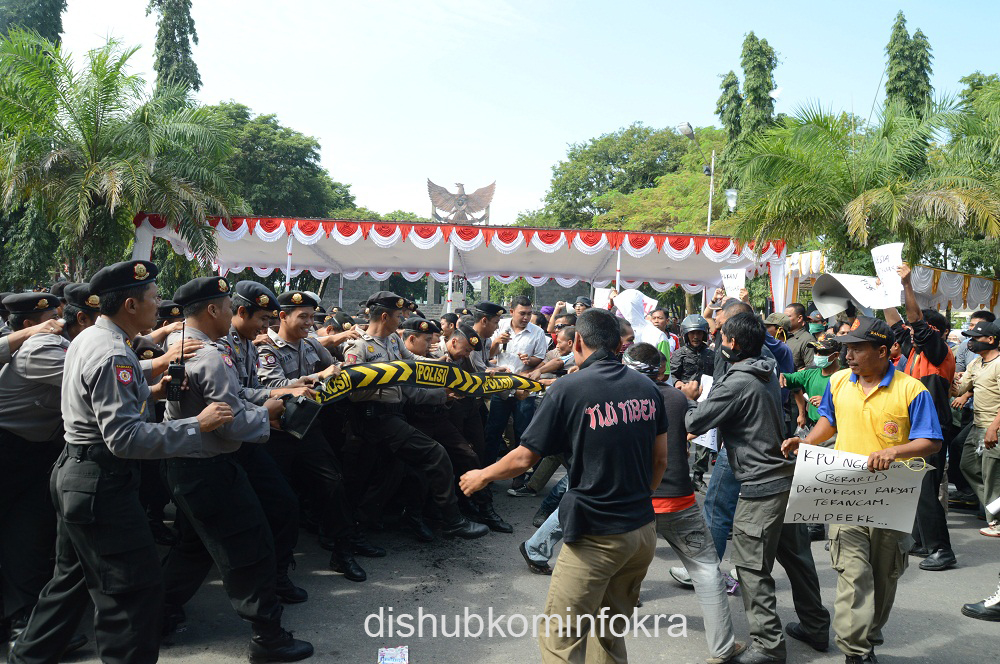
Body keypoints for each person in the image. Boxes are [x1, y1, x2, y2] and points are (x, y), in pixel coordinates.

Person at [8, 260, 235, 664]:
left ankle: (28, 656)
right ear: (131, 304)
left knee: (69, 584)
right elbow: (125, 438)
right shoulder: (113, 351)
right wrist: (196, 426)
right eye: (153, 298)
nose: (160, 304)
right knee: (132, 597)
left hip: (76, 474)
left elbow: (102, 398)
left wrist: (152, 391)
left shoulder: (93, 339)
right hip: (101, 483)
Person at [460, 308, 668, 664]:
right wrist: (636, 499)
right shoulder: (647, 386)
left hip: (596, 533)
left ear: (578, 343)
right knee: (608, 637)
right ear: (618, 344)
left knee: (561, 640)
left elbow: (524, 459)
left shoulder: (571, 388)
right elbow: (660, 459)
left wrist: (481, 475)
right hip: (641, 532)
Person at [158, 277, 312, 662]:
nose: (232, 313)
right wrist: (269, 415)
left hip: (188, 464)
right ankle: (268, 638)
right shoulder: (211, 354)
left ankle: (156, 613)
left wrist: (274, 397)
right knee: (250, 548)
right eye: (229, 306)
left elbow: (233, 397)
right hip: (209, 466)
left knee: (193, 549)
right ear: (213, 310)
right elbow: (228, 419)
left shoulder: (182, 347)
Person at [782, 316, 943, 664]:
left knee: (884, 577)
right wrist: (806, 441)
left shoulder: (912, 390)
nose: (848, 355)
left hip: (890, 498)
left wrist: (894, 451)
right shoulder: (839, 382)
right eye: (847, 348)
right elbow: (829, 420)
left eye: (857, 348)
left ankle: (868, 634)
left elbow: (931, 441)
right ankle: (855, 651)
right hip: (846, 494)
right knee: (852, 573)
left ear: (883, 351)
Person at [684, 312, 828, 664]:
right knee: (798, 560)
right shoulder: (765, 371)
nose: (718, 343)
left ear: (732, 344)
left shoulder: (737, 382)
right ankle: (816, 627)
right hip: (784, 479)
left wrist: (690, 395)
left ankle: (768, 646)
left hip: (761, 486)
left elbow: (694, 421)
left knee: (750, 569)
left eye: (721, 339)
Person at [626, 343, 746, 664]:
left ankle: (611, 626)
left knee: (629, 558)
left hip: (634, 499)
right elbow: (684, 435)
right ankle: (721, 648)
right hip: (676, 497)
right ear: (664, 372)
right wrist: (691, 398)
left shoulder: (618, 399)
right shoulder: (676, 399)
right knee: (706, 569)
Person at [257, 290, 384, 581]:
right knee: (281, 503)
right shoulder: (266, 348)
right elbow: (275, 385)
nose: (309, 322)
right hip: (276, 434)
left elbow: (335, 365)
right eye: (303, 316)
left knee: (334, 486)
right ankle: (277, 571)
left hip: (308, 429)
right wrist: (319, 376)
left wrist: (336, 369)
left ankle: (342, 552)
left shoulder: (311, 345)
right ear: (282, 316)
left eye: (312, 317)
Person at [343, 291, 488, 540]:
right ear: (385, 316)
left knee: (389, 475)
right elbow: (352, 390)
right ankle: (453, 520)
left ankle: (358, 529)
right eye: (399, 316)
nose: (401, 320)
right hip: (373, 418)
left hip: (393, 415)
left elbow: (413, 362)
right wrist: (388, 380)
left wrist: (441, 365)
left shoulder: (393, 342)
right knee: (435, 453)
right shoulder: (357, 347)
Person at [0, 289, 95, 654]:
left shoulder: (51, 345)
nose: (60, 325)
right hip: (7, 447)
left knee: (27, 538)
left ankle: (25, 622)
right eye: (51, 320)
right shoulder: (35, 347)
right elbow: (92, 375)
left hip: (33, 452)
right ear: (28, 326)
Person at [403, 322, 513, 534]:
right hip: (418, 419)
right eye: (426, 340)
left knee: (469, 456)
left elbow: (474, 380)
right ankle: (417, 518)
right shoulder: (425, 358)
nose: (430, 343)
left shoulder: (462, 358)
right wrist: (444, 393)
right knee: (421, 470)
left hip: (443, 417)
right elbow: (413, 393)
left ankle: (482, 508)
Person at [883, 263, 957, 571]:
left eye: (919, 328)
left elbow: (914, 321)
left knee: (926, 491)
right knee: (913, 487)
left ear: (933, 331)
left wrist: (907, 286)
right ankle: (922, 541)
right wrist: (886, 290)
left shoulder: (939, 351)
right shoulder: (914, 351)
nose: (910, 332)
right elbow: (897, 324)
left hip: (932, 429)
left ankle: (942, 549)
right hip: (914, 428)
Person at [484, 295, 547, 465]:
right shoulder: (499, 327)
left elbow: (540, 359)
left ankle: (519, 478)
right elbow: (488, 356)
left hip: (525, 389)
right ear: (512, 312)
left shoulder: (538, 332)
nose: (526, 317)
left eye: (529, 313)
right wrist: (496, 342)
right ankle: (487, 472)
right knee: (493, 431)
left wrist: (529, 360)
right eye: (522, 313)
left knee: (523, 433)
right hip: (501, 388)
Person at [952, 320, 1000, 535]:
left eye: (975, 338)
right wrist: (950, 379)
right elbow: (959, 389)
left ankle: (996, 522)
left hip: (994, 427)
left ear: (991, 340)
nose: (970, 342)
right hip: (977, 425)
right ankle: (995, 506)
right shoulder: (975, 364)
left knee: (992, 477)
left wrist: (993, 428)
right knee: (968, 466)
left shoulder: (999, 364)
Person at [782, 303, 816, 371]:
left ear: (799, 318)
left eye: (788, 316)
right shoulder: (782, 336)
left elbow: (811, 369)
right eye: (783, 317)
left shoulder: (808, 340)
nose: (784, 320)